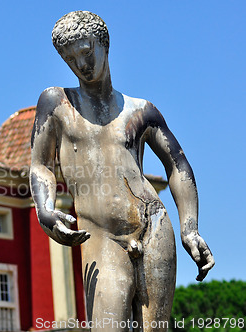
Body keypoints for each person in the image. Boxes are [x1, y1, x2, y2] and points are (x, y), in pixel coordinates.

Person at [30, 11, 214, 331]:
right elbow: (40, 166)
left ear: (104, 45)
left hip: (154, 224)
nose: (82, 65)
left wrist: (190, 228)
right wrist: (45, 210)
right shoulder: (57, 103)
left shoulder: (141, 110)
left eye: (87, 52)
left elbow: (177, 164)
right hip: (101, 237)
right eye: (71, 59)